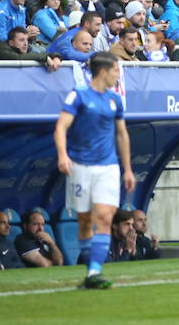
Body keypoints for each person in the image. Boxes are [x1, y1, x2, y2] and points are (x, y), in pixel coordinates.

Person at [53, 51, 136, 289]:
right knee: (86, 222)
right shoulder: (78, 95)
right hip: (80, 166)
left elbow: (122, 134)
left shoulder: (114, 100)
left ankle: (94, 272)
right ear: (103, 72)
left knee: (104, 217)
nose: (118, 76)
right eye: (116, 72)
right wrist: (62, 154)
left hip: (108, 166)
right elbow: (61, 127)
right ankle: (91, 273)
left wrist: (128, 169)